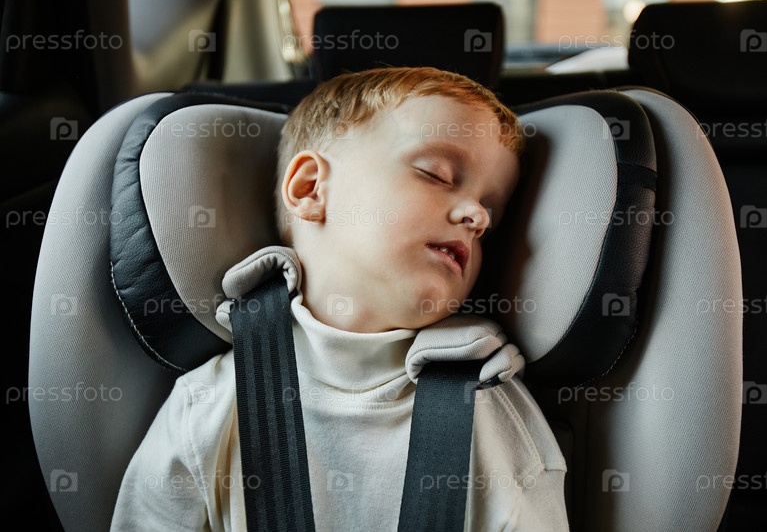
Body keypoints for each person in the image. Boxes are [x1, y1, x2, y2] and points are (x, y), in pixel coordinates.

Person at [110, 66, 569, 531]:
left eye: (491, 213)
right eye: (437, 174)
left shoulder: (488, 412)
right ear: (310, 188)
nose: (476, 217)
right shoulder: (208, 407)